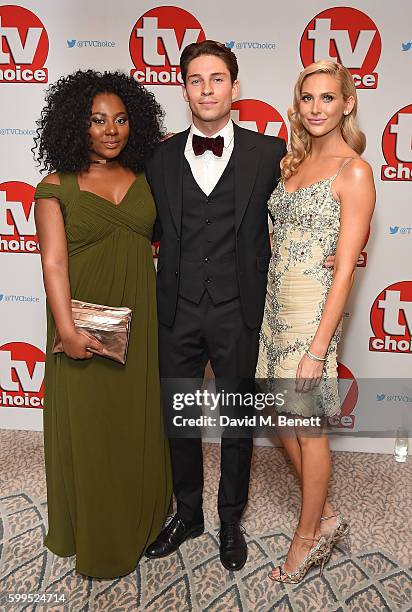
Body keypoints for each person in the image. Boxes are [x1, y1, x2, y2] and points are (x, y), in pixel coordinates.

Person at [144, 40, 287, 571]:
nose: (207, 89)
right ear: (184, 90)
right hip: (176, 309)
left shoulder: (269, 153)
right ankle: (188, 513)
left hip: (238, 309)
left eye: (217, 79)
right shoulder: (157, 157)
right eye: (196, 80)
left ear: (234, 87)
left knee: (236, 421)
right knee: (177, 418)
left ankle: (230, 518)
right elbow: (145, 226)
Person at [33, 70, 172, 578]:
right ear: (76, 125)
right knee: (91, 430)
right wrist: (66, 330)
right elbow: (53, 264)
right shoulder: (55, 187)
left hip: (141, 319)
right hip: (83, 323)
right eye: (97, 120)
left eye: (120, 119)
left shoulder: (144, 179)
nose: (110, 129)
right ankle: (95, 533)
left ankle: (143, 516)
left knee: (133, 422)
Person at [256, 60, 375, 583]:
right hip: (275, 305)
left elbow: (345, 270)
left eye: (328, 98)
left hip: (313, 315)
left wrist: (317, 348)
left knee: (307, 427)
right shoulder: (292, 163)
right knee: (279, 416)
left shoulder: (354, 170)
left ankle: (307, 537)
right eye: (308, 98)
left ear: (347, 103)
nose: (317, 108)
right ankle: (326, 517)